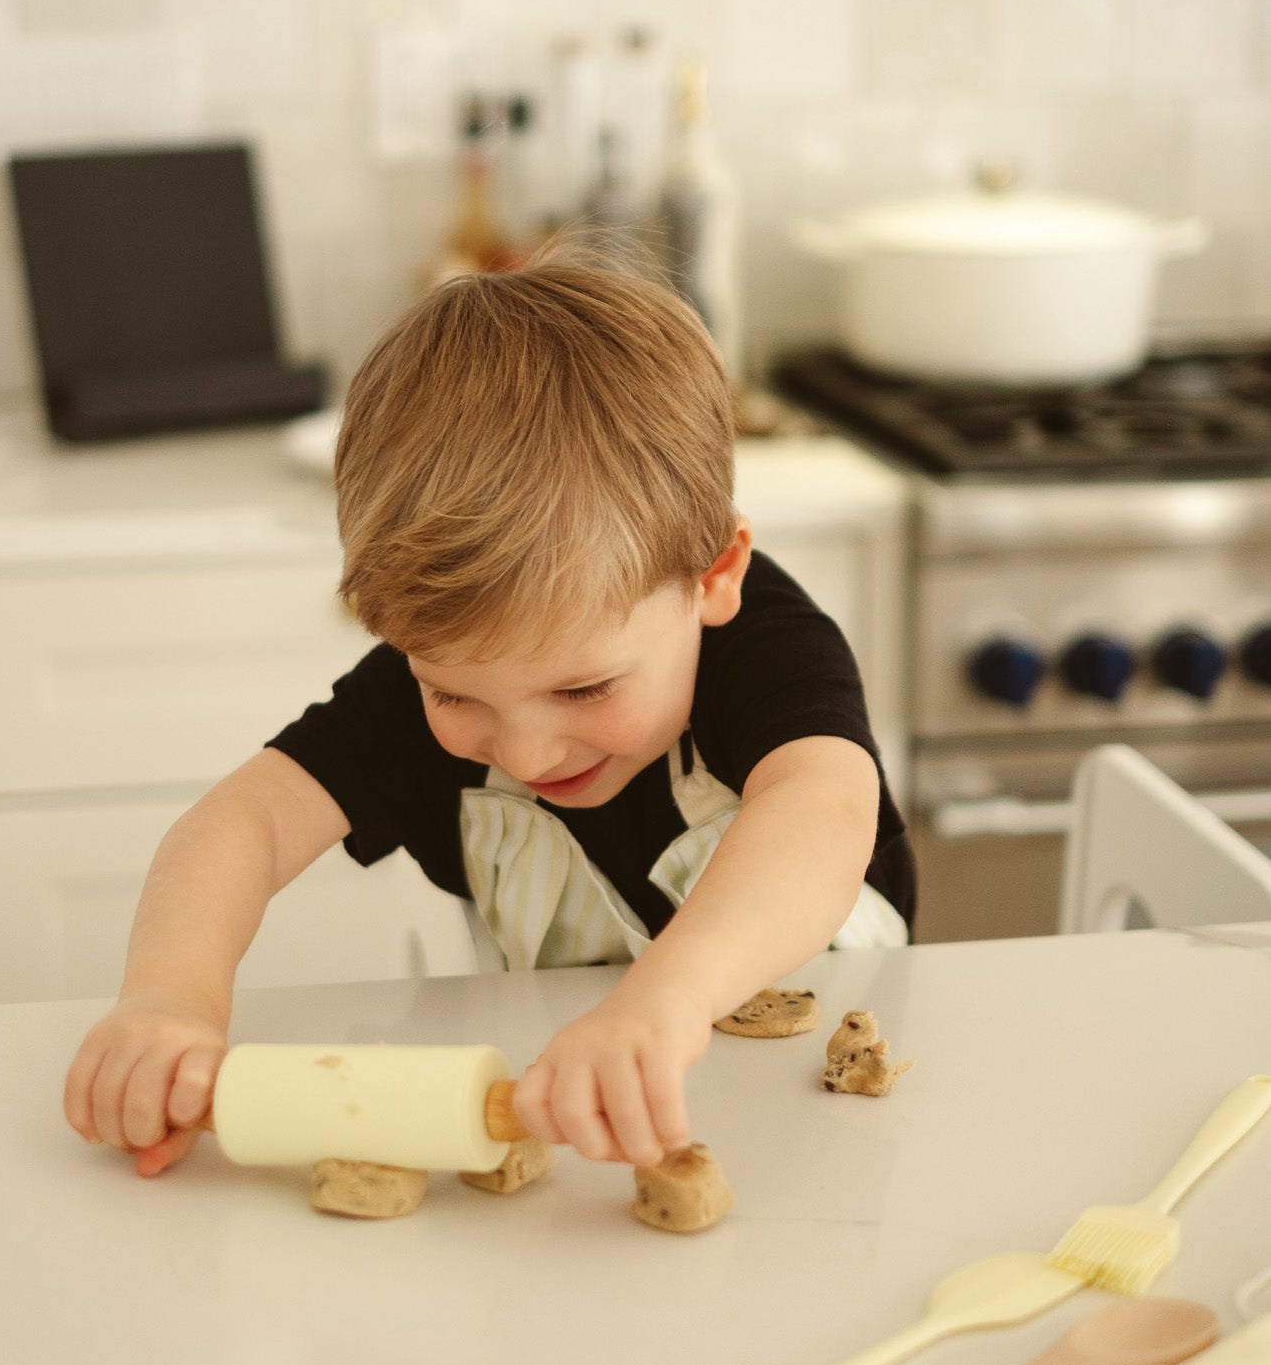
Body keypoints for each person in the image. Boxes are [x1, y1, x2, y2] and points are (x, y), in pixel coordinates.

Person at [64, 258, 915, 1180]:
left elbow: (821, 812)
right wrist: (169, 1000)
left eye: (584, 690)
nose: (523, 749)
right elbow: (244, 823)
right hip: (581, 1110)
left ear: (711, 575)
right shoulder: (425, 682)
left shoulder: (764, 644)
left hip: (845, 1105)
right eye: (454, 696)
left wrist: (659, 1002)